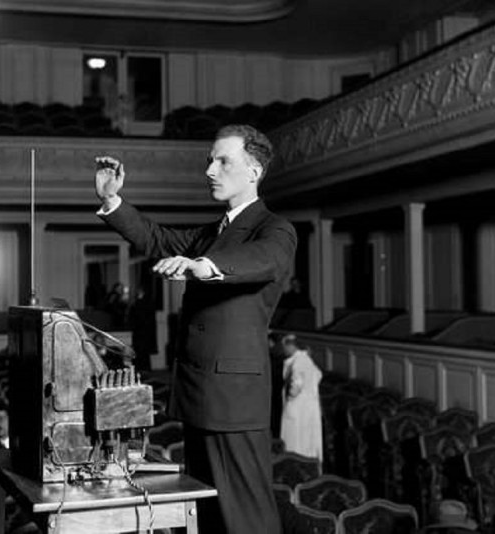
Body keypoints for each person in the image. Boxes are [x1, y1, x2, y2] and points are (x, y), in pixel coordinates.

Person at [95, 124, 297, 534]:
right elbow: (155, 239)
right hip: (199, 394)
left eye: (224, 161)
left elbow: (264, 259)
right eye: (210, 160)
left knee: (247, 519)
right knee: (207, 515)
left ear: (254, 171)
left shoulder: (274, 228)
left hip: (234, 401)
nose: (210, 170)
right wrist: (112, 200)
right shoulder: (212, 232)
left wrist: (202, 266)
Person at [279, 333, 323, 461]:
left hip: (299, 406)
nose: (284, 350)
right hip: (309, 405)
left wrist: (291, 398)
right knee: (307, 436)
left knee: (296, 436)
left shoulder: (298, 362)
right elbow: (317, 375)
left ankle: (295, 462)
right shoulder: (306, 359)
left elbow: (296, 385)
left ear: (291, 346)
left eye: (284, 347)